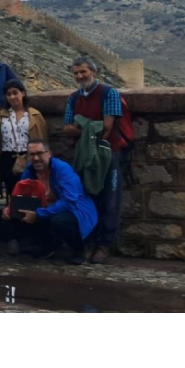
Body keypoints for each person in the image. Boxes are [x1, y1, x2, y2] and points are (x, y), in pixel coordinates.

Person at [60, 56, 131, 264]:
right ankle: (88, 240)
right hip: (84, 156)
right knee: (86, 196)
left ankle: (104, 244)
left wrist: (81, 126)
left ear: (93, 72)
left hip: (108, 153)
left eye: (83, 72)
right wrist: (92, 126)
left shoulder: (109, 94)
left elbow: (107, 127)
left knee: (110, 199)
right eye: (76, 73)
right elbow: (66, 128)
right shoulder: (74, 98)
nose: (80, 76)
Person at [2, 139, 97, 265]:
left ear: (49, 153)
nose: (36, 158)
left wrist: (39, 213)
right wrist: (9, 208)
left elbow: (69, 201)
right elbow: (21, 195)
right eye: (31, 154)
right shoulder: (29, 170)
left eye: (39, 153)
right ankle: (48, 246)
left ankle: (79, 249)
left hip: (75, 210)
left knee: (59, 221)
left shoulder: (63, 169)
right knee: (15, 215)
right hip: (47, 208)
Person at [0, 79, 48, 202]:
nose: (12, 97)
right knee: (12, 193)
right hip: (7, 158)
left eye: (15, 93)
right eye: (8, 94)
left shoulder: (35, 115)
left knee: (30, 192)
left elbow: (43, 138)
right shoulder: (0, 116)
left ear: (22, 93)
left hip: (29, 157)